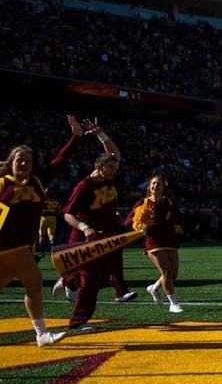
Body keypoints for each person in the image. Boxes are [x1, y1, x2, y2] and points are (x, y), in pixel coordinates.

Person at [0, 115, 89, 346]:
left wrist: (76, 137)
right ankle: (41, 334)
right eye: (20, 160)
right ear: (10, 161)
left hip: (24, 245)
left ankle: (41, 334)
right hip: (8, 243)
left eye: (28, 160)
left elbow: (60, 160)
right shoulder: (2, 184)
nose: (24, 163)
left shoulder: (38, 181)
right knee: (35, 282)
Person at [61, 126, 132, 332]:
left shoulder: (108, 177)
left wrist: (102, 134)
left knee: (101, 280)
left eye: (114, 168)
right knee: (91, 279)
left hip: (106, 235)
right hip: (86, 238)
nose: (114, 171)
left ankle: (68, 281)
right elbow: (67, 214)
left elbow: (115, 154)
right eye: (110, 168)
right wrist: (85, 227)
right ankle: (78, 320)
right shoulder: (84, 186)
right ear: (98, 166)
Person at [129, 175, 184, 313]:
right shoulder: (143, 203)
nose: (156, 186)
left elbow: (179, 217)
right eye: (153, 183)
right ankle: (173, 303)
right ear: (149, 187)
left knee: (173, 275)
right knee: (166, 272)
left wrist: (174, 220)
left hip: (170, 240)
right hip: (154, 241)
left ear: (163, 187)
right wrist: (141, 227)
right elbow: (129, 220)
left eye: (159, 184)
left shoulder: (168, 202)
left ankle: (154, 287)